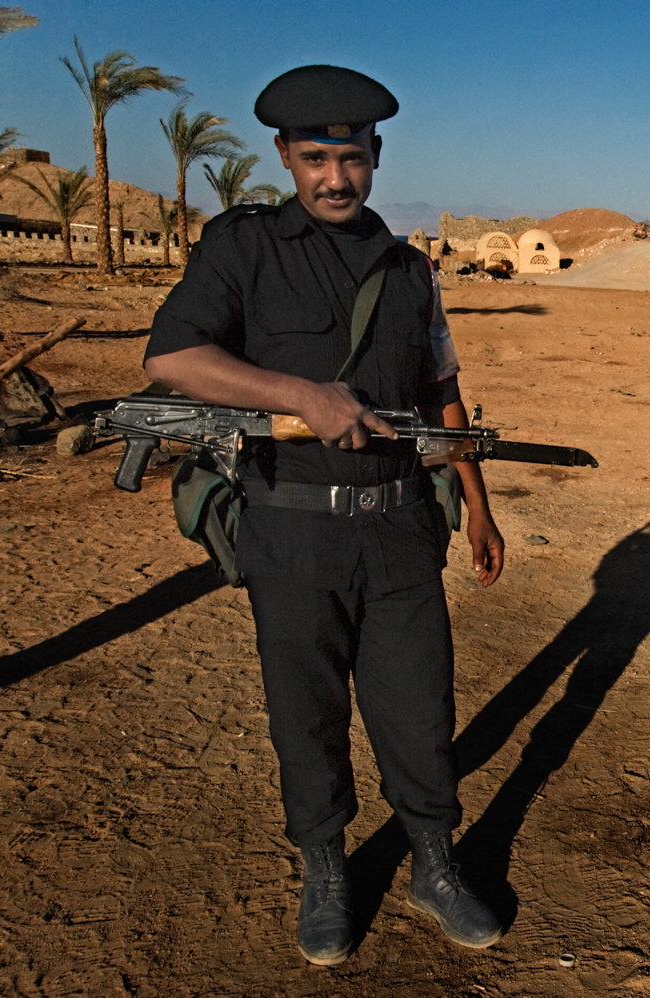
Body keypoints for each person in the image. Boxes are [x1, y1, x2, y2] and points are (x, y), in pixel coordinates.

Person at [142, 65, 506, 966]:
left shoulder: (410, 268)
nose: (334, 178)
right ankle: (326, 869)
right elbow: (173, 359)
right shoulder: (245, 248)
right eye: (315, 159)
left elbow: (441, 389)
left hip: (401, 530)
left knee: (419, 710)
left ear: (375, 156)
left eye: (350, 158)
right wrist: (303, 393)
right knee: (304, 714)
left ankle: (432, 862)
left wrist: (477, 504)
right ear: (285, 157)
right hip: (294, 527)